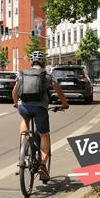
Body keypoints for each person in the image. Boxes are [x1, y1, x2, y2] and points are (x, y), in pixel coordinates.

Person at [12, 51, 69, 182]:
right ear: (43, 62)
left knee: (25, 119)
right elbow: (58, 89)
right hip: (40, 108)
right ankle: (43, 165)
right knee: (44, 135)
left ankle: (23, 149)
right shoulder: (47, 74)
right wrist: (64, 104)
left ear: (31, 62)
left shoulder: (22, 73)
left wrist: (16, 103)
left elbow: (14, 91)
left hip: (23, 106)